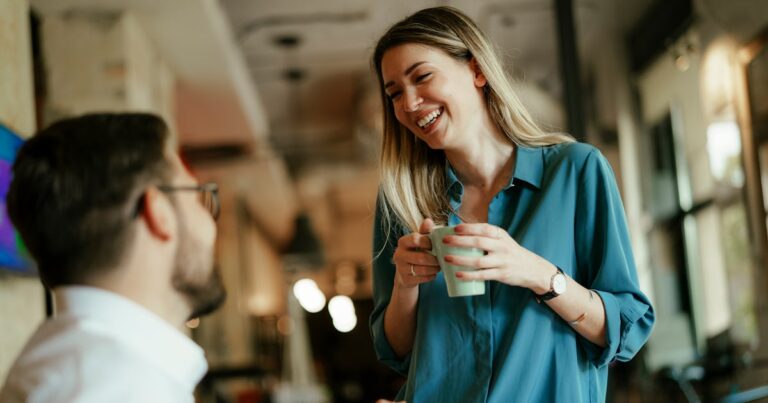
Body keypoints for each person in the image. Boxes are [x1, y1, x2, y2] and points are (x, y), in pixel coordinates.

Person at [369, 7, 655, 403]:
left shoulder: (575, 172)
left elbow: (625, 331)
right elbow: (395, 352)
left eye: (422, 77)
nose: (410, 103)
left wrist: (537, 273)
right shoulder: (399, 201)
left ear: (477, 71)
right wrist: (405, 284)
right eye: (395, 93)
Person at [0, 113, 226, 402]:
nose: (211, 221)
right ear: (159, 212)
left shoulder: (80, 368)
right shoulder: (119, 388)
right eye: (199, 197)